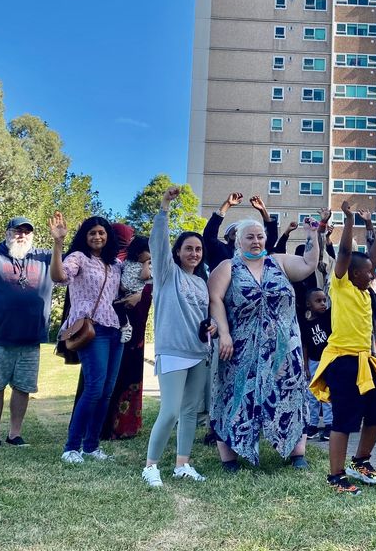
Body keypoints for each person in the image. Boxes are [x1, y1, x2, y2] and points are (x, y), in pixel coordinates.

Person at [207, 216, 320, 469]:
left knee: (288, 395)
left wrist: (313, 234)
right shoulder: (228, 267)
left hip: (283, 349)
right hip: (240, 347)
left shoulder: (278, 262)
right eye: (250, 237)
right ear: (239, 241)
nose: (256, 241)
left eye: (259, 236)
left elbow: (308, 264)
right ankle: (230, 457)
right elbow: (215, 300)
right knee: (235, 397)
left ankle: (296, 453)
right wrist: (223, 333)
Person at [310, 200, 376, 495]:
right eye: (368, 271)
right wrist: (347, 220)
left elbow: (374, 254)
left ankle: (361, 461)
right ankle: (336, 476)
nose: (372, 274)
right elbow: (345, 253)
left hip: (365, 361)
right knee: (343, 420)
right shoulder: (341, 285)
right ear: (353, 274)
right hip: (342, 361)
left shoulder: (366, 292)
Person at [141, 187, 216, 488]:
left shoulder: (201, 282)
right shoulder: (166, 272)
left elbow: (204, 315)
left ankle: (182, 464)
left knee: (189, 412)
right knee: (170, 410)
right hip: (172, 351)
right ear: (177, 251)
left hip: (198, 351)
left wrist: (211, 327)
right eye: (188, 248)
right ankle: (150, 466)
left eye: (198, 249)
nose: (194, 253)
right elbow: (157, 243)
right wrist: (164, 209)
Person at [0, 217, 54, 450]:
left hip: (31, 337)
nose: (22, 235)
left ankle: (15, 434)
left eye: (27, 231)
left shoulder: (45, 258)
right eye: (17, 231)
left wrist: (59, 240)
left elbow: (72, 261)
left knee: (23, 387)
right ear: (7, 233)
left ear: (32, 235)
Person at [49, 213, 126, 464]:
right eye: (92, 233)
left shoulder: (115, 264)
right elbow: (59, 277)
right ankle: (71, 447)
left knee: (105, 391)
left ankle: (91, 446)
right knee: (93, 388)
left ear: (108, 236)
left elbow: (139, 278)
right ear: (85, 236)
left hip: (114, 329)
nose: (97, 236)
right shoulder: (78, 258)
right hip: (91, 329)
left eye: (101, 232)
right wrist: (58, 243)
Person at [101, 235, 152, 440]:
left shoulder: (123, 265)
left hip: (131, 319)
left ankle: (121, 423)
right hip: (128, 319)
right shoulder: (135, 266)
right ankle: (119, 424)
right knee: (123, 369)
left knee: (126, 368)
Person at [202, 193, 279, 269]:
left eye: (242, 231)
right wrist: (227, 204)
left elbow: (271, 237)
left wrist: (263, 210)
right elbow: (209, 235)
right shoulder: (219, 249)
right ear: (226, 237)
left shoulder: (254, 252)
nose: (238, 230)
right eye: (235, 230)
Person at [298, 289, 333, 440]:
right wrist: (305, 366)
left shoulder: (327, 318)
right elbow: (305, 345)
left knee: (326, 394)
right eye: (318, 301)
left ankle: (329, 425)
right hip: (313, 362)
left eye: (324, 300)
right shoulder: (305, 324)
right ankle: (312, 424)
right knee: (312, 394)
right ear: (308, 304)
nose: (323, 304)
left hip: (327, 362)